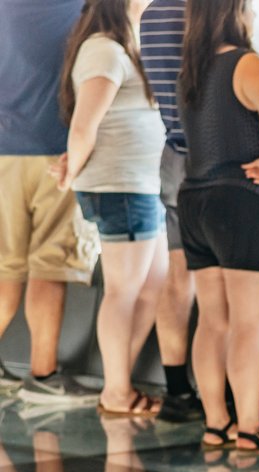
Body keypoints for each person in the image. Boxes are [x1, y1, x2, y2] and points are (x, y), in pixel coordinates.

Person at [178, 0, 259, 454]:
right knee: (249, 325)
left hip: (195, 201)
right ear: (234, 12)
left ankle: (216, 424)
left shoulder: (191, 70)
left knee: (213, 320)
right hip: (241, 202)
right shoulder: (246, 63)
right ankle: (250, 430)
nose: (254, 16)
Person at [55, 0, 168, 417]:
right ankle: (117, 392)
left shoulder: (126, 44)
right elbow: (84, 124)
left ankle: (118, 382)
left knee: (153, 286)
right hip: (120, 187)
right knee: (123, 291)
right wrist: (71, 170)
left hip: (141, 186)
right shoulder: (104, 49)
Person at [0, 0, 99, 403]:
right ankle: (43, 375)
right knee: (50, 265)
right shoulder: (82, 8)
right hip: (58, 152)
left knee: (6, 269)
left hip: (4, 152)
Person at [140, 0, 201, 421]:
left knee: (179, 276)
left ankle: (178, 390)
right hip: (211, 162)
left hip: (173, 158)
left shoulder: (151, 14)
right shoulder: (204, 13)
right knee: (218, 283)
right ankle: (229, 399)